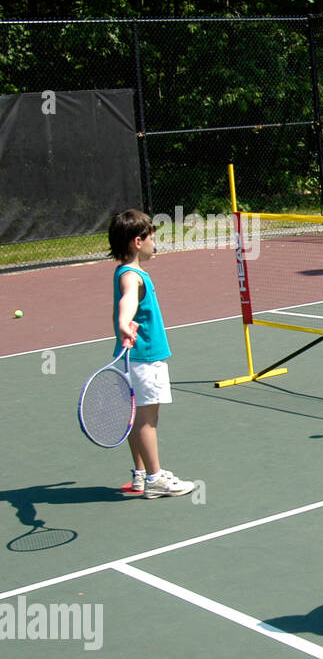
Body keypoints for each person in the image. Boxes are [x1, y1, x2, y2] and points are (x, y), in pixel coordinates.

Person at [108, 209, 195, 498]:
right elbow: (129, 300)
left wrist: (123, 325)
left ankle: (141, 475)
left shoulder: (124, 271)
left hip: (133, 358)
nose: (154, 244)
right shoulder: (132, 276)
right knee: (147, 420)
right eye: (151, 239)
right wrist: (123, 322)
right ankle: (156, 478)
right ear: (137, 241)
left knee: (137, 418)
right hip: (144, 359)